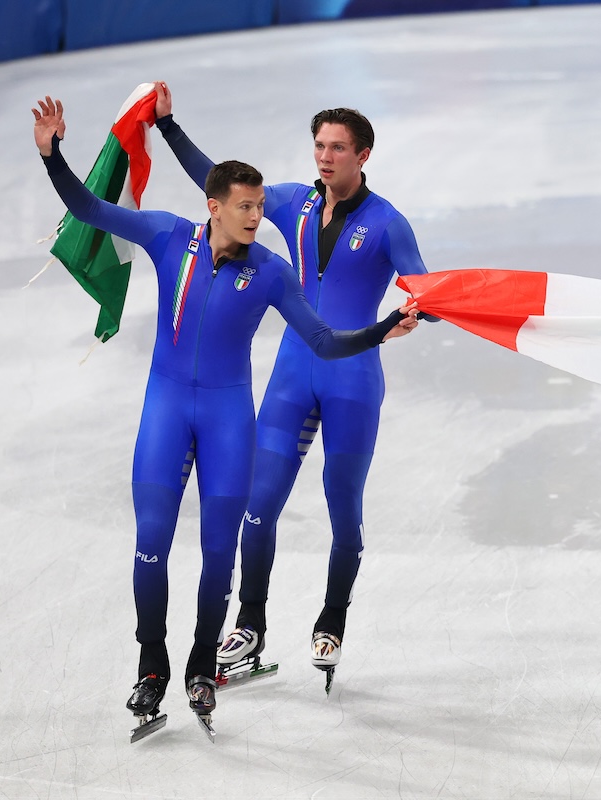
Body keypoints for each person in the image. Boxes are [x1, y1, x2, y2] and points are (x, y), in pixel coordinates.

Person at [32, 95, 419, 728]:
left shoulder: (284, 265)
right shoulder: (178, 232)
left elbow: (351, 325)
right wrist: (59, 153)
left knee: (285, 528)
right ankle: (170, 659)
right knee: (178, 536)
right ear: (216, 207)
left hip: (290, 402)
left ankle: (265, 641)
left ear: (362, 155)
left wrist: (389, 327)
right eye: (247, 206)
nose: (259, 215)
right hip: (211, 400)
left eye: (337, 147)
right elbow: (97, 207)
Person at [149, 82, 431, 680]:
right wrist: (169, 127)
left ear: (363, 156)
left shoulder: (388, 224)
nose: (324, 157)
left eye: (337, 148)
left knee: (342, 510)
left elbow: (423, 290)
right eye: (319, 146)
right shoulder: (292, 203)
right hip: (291, 376)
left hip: (353, 382)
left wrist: (416, 312)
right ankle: (250, 624)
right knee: (257, 504)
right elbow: (217, 182)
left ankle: (331, 620)